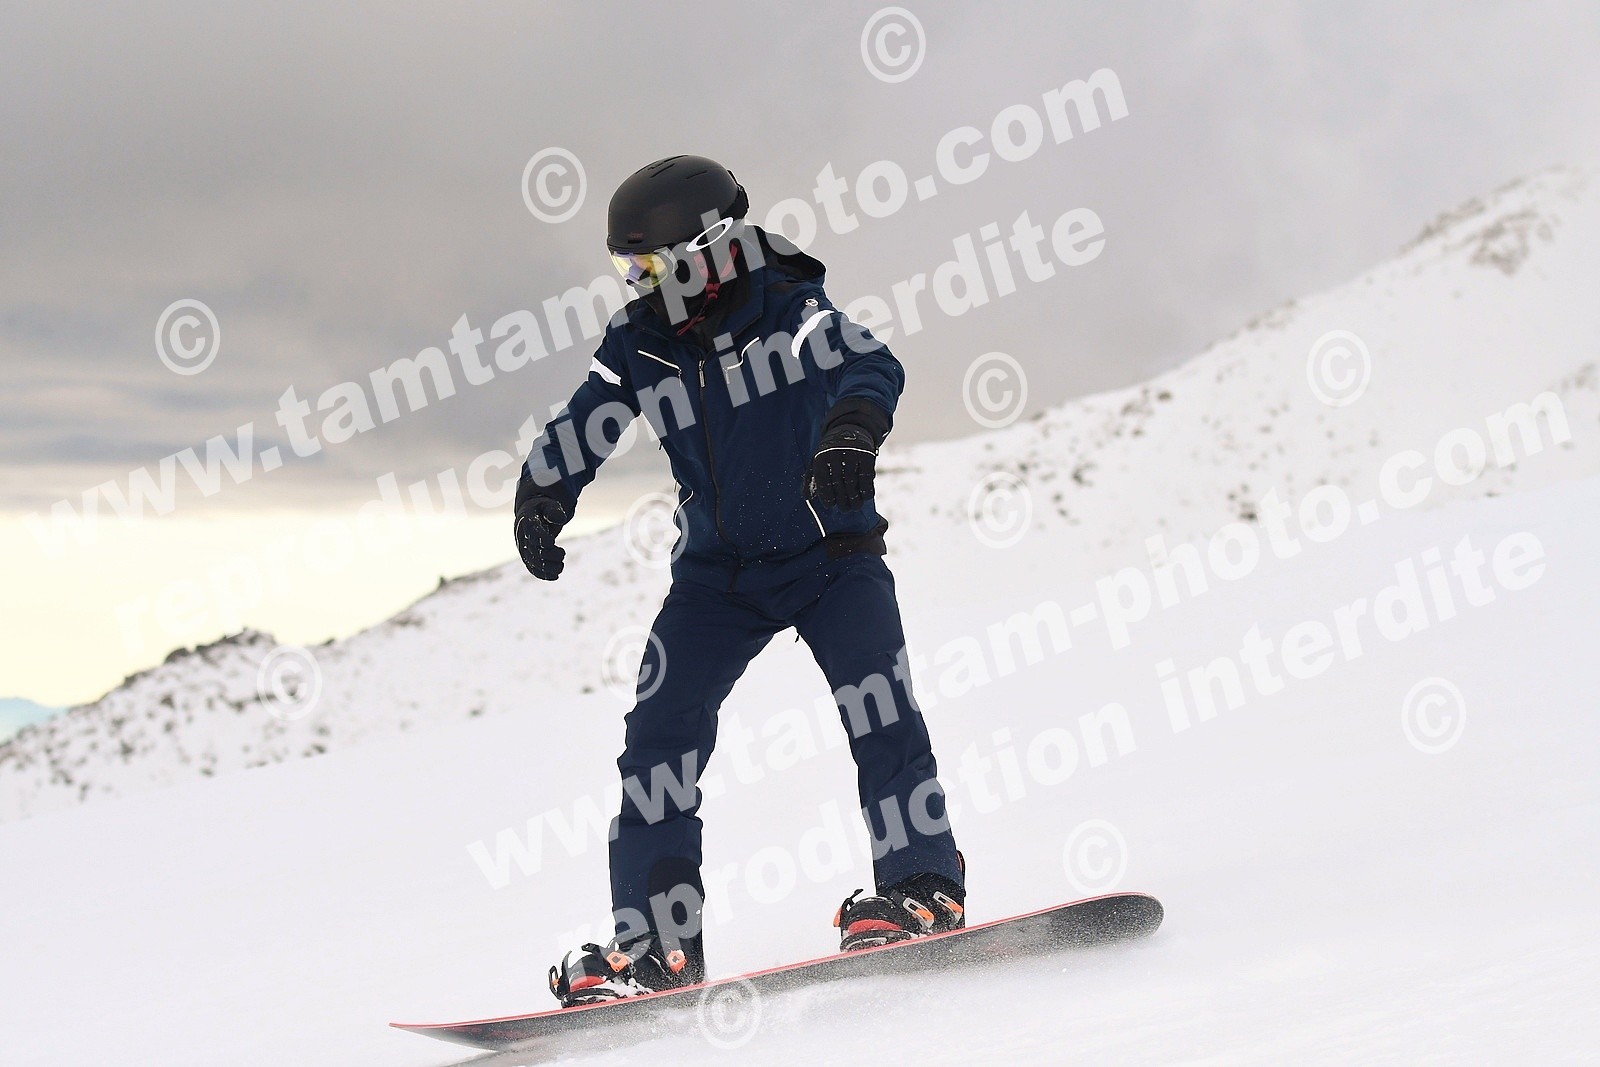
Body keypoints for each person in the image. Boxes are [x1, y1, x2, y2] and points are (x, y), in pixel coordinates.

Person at [515, 155, 965, 1005]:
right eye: (628, 270)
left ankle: (923, 888)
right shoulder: (640, 340)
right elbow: (585, 421)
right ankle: (658, 947)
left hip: (830, 555)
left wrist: (850, 432)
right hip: (716, 578)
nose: (641, 287)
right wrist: (542, 496)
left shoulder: (788, 309)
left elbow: (870, 364)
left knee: (879, 708)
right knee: (657, 741)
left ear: (711, 250)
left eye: (653, 269)